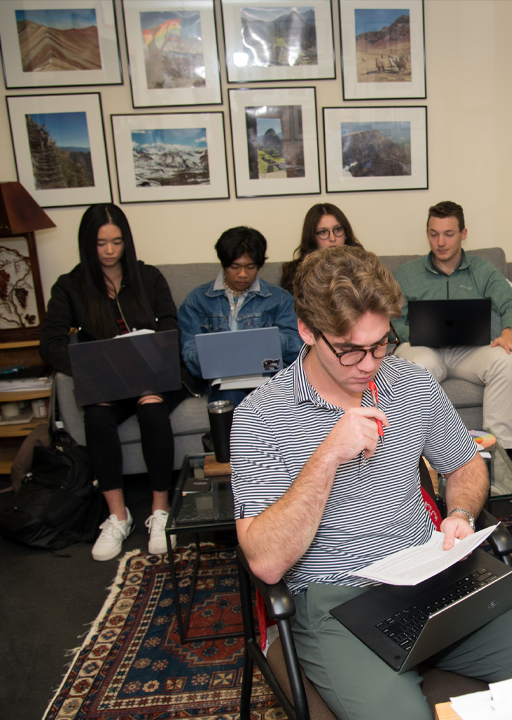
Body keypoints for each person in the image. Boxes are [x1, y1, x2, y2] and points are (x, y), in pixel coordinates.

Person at [230, 246, 512, 720]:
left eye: (380, 344)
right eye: (351, 349)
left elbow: (464, 463)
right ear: (307, 331)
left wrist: (459, 512)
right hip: (335, 598)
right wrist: (328, 455)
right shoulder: (261, 415)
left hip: (430, 575)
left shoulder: (410, 383)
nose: (369, 363)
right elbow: (268, 563)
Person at [39, 204, 189, 561]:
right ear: (87, 244)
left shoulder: (148, 277)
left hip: (153, 375)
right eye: (101, 243)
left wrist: (152, 354)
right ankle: (117, 515)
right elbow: (50, 343)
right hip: (107, 380)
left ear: (127, 242)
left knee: (152, 410)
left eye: (117, 242)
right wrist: (89, 367)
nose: (109, 251)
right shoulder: (70, 286)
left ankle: (159, 509)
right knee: (97, 416)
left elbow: (170, 326)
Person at [392, 201, 512, 449]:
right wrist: (415, 335)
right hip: (423, 349)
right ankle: (419, 455)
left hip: (469, 351)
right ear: (427, 235)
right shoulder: (406, 274)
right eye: (434, 234)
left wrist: (509, 332)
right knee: (422, 365)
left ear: (463, 234)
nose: (440, 242)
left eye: (448, 234)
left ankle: (500, 453)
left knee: (505, 360)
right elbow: (391, 318)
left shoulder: (483, 269)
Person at [178, 226, 303, 406]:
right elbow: (189, 356)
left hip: (267, 378)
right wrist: (216, 354)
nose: (243, 274)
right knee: (232, 394)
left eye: (250, 267)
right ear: (223, 263)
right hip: (223, 382)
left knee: (271, 394)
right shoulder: (197, 300)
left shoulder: (279, 299)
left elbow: (297, 346)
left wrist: (264, 342)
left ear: (260, 265)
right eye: (235, 267)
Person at [279, 203, 363, 294]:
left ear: (346, 233)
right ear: (312, 237)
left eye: (338, 229)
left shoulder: (363, 264)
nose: (332, 238)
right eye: (323, 232)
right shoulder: (294, 272)